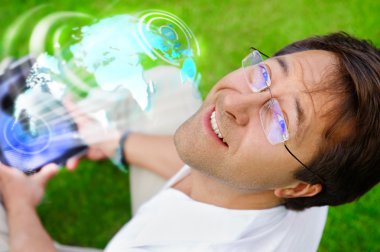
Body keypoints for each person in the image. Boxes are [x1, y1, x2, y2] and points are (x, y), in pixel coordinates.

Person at [0, 32, 379, 252]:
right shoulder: (310, 175)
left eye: (279, 119)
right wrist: (111, 140)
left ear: (298, 187)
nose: (232, 100)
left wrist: (19, 200)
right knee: (167, 82)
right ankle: (71, 120)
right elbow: (203, 158)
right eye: (265, 74)